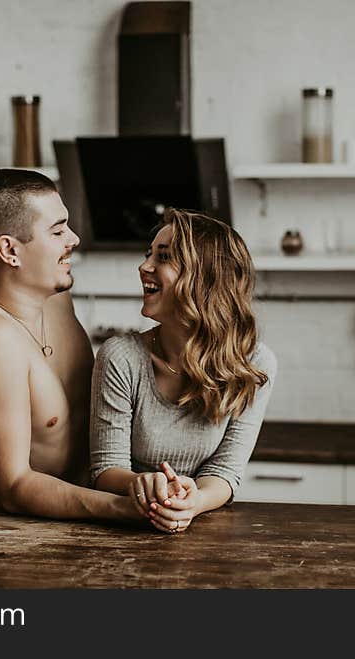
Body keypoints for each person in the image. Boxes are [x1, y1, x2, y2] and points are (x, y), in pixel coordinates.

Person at [0, 168, 138, 521]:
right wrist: (126, 508)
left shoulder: (55, 298)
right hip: (43, 535)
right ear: (10, 251)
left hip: (105, 515)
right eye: (58, 230)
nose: (74, 239)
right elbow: (13, 486)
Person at [90, 208, 277, 534]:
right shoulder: (120, 357)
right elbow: (106, 468)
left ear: (204, 278)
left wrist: (193, 502)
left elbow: (226, 471)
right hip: (120, 528)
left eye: (163, 257)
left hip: (201, 531)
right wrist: (144, 484)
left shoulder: (254, 365)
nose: (144, 267)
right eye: (148, 254)